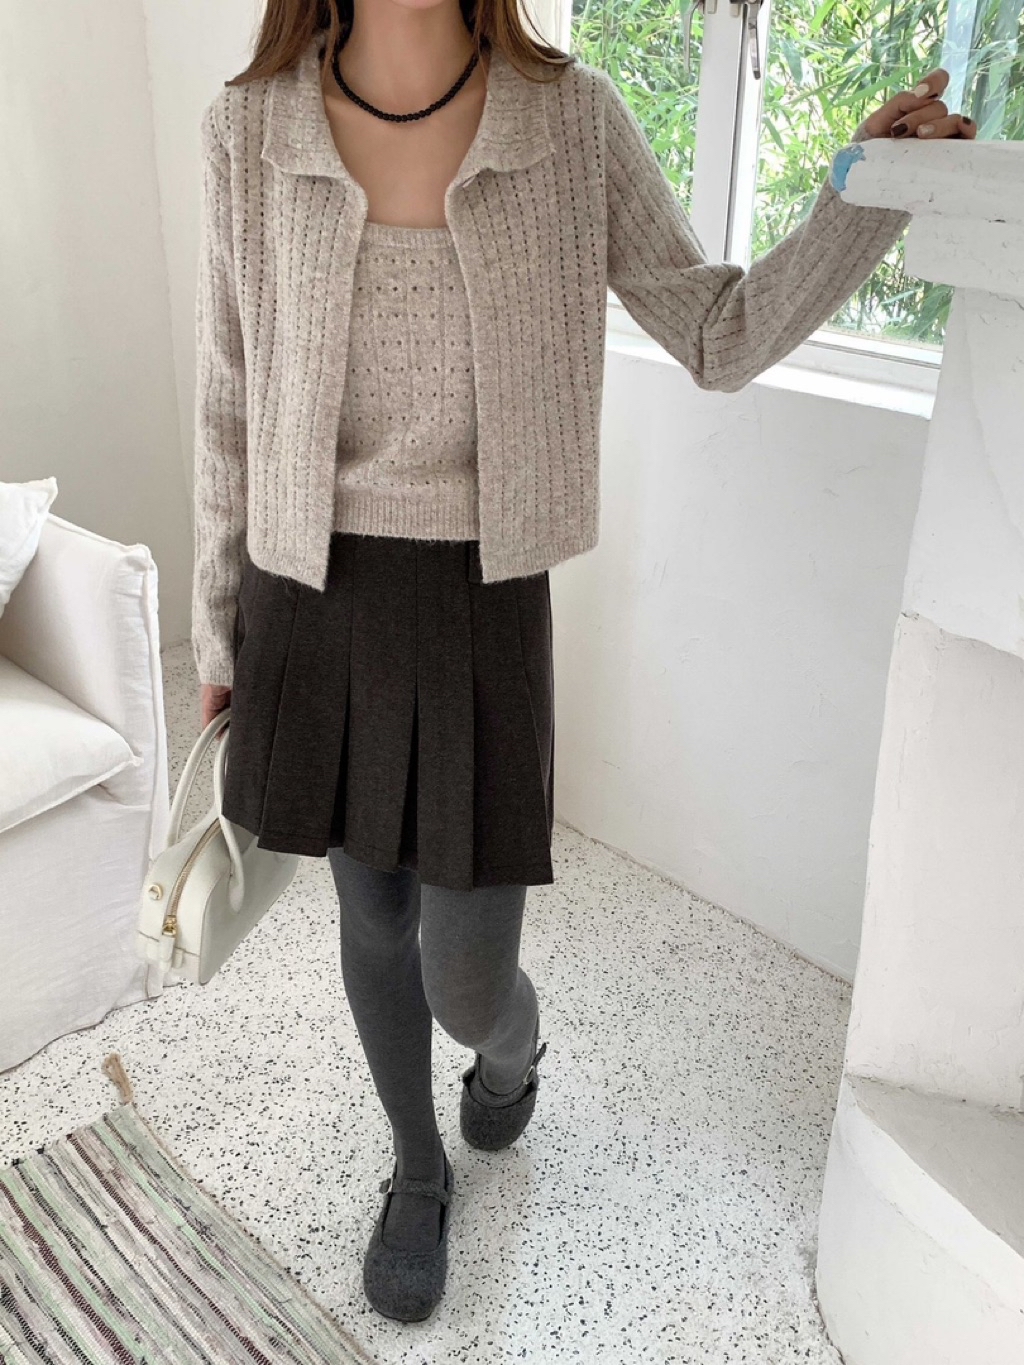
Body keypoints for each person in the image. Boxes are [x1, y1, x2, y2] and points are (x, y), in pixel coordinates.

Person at [191, 0, 975, 1325]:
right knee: (371, 920)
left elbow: (718, 330)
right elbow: (229, 395)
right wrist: (219, 623)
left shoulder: (569, 122)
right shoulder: (248, 129)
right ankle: (417, 1167)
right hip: (311, 591)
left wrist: (867, 191)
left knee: (466, 972)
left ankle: (510, 1050)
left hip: (481, 594)